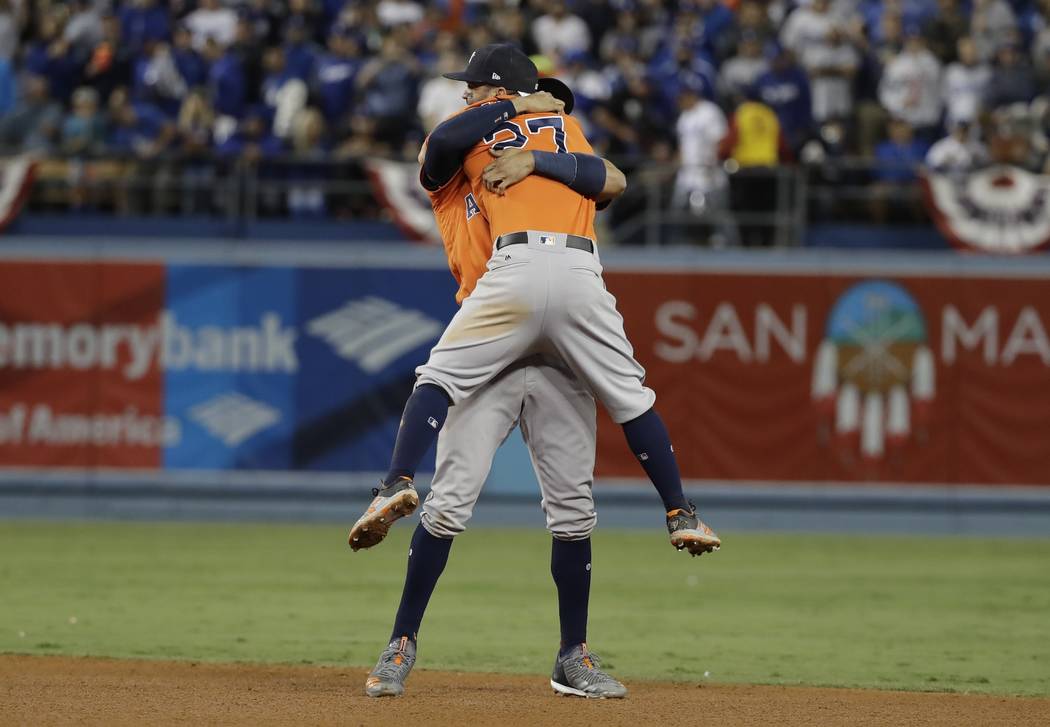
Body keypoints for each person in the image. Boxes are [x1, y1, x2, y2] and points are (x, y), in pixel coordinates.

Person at [362, 77, 633, 701]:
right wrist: (517, 109)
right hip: (490, 340)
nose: (472, 104)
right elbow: (450, 139)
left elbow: (611, 181)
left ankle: (574, 655)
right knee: (449, 502)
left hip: (557, 341)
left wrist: (544, 145)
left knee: (574, 507)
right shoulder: (458, 167)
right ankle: (400, 643)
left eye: (481, 90)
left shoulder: (536, 159)